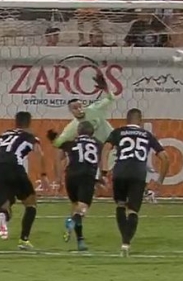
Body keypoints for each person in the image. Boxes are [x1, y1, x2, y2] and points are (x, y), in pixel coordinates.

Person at [101, 108, 169, 257]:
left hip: (120, 172)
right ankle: (126, 244)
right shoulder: (147, 135)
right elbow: (165, 157)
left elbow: (105, 149)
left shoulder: (118, 132)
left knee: (120, 205)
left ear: (127, 120)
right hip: (138, 174)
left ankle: (124, 239)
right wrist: (160, 180)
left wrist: (104, 170)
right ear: (140, 120)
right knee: (133, 210)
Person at [0, 111, 48, 250]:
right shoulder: (30, 136)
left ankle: (3, 215)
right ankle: (24, 240)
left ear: (16, 122)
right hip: (13, 166)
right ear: (29, 123)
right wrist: (43, 175)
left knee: (5, 205)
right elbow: (40, 154)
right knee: (31, 203)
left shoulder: (3, 135)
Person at [47, 73, 117, 178]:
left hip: (114, 148)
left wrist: (106, 88)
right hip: (100, 156)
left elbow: (111, 98)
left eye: (80, 106)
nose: (79, 109)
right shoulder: (72, 127)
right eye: (75, 108)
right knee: (99, 179)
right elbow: (59, 143)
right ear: (71, 111)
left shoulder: (94, 109)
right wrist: (53, 139)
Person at [56, 121, 101, 251]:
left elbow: (58, 158)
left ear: (78, 131)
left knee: (76, 206)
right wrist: (100, 178)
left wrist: (59, 179)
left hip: (71, 176)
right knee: (83, 208)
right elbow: (100, 161)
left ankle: (80, 240)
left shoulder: (70, 142)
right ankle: (72, 221)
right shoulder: (98, 143)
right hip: (86, 175)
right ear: (92, 132)